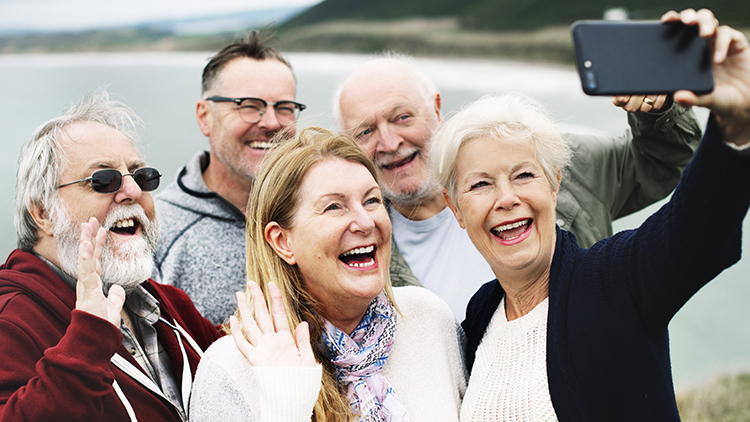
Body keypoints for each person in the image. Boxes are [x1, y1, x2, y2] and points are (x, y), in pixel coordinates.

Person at [428, 9, 750, 421]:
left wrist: (735, 127)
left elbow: (694, 234)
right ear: (455, 208)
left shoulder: (612, 282)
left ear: (555, 183)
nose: (506, 198)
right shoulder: (479, 316)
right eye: (481, 184)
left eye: (524, 175)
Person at [335, 54, 702, 319]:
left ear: (435, 108)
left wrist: (657, 108)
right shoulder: (356, 245)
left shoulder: (545, 157)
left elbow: (663, 162)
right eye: (365, 131)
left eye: (402, 117)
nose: (388, 142)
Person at [189, 127, 466, 421]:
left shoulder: (429, 319)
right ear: (282, 241)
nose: (365, 222)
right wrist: (287, 402)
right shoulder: (232, 367)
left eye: (372, 200)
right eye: (334, 206)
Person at [0, 90, 221, 421]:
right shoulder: (11, 322)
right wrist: (87, 340)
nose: (133, 191)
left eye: (142, 176)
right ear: (43, 213)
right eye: (103, 180)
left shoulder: (171, 306)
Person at [152, 31, 306, 325]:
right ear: (204, 116)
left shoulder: (323, 209)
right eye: (249, 105)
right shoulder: (157, 234)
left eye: (285, 108)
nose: (272, 123)